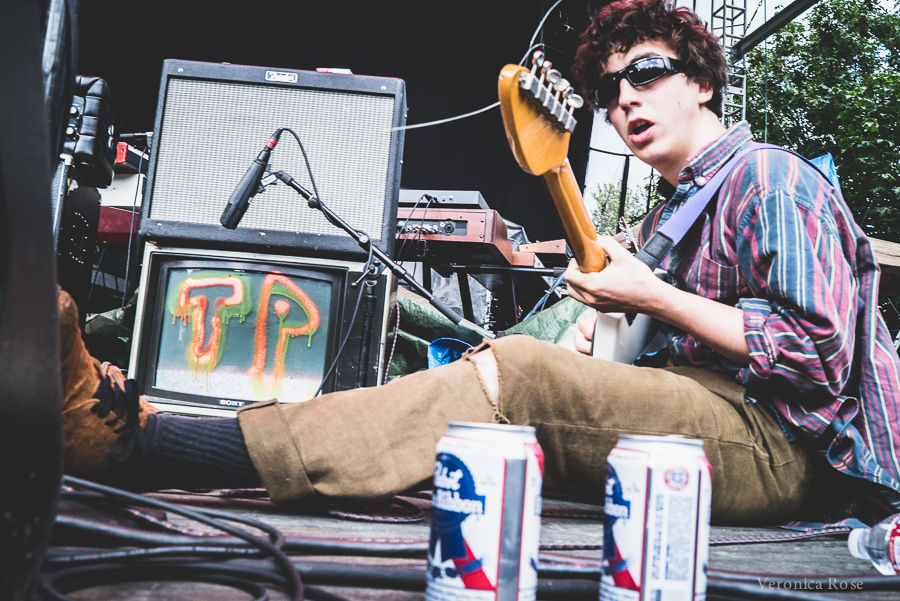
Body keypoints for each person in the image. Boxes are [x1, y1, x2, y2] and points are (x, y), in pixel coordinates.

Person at [60, 0, 900, 526]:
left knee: (520, 374)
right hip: (719, 421)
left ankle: (157, 444)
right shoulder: (672, 214)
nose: (624, 99)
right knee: (525, 362)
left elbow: (817, 355)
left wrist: (651, 297)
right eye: (608, 91)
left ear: (704, 82)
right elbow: (654, 336)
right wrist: (607, 338)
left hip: (787, 447)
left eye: (646, 72)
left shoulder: (769, 177)